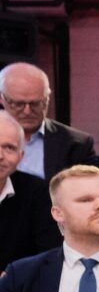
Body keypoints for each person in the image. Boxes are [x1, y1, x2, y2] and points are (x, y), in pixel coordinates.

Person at [0, 63, 97, 181]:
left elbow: (89, 188)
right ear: (1, 98)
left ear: (48, 98)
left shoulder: (76, 144)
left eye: (36, 104)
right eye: (18, 104)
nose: (27, 111)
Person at [0, 112, 61, 274]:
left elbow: (50, 255)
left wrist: (14, 278)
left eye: (9, 148)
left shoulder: (39, 192)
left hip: (18, 286)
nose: (0, 156)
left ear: (21, 156)